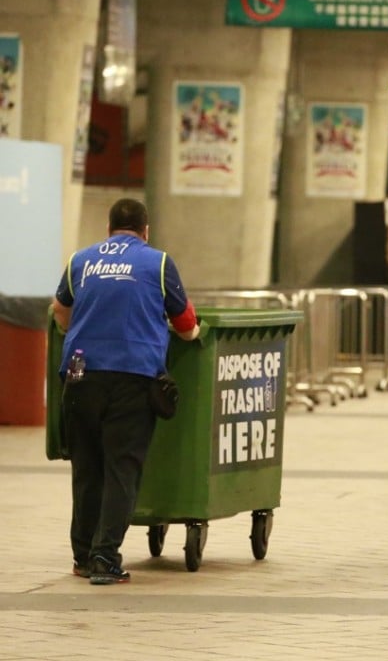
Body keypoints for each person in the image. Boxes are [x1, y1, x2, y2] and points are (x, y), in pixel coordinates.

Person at [52, 198, 201, 585]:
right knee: (122, 469)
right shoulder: (159, 262)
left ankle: (83, 556)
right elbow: (185, 323)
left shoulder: (81, 260)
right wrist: (192, 334)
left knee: (87, 470)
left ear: (108, 230)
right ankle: (105, 558)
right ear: (145, 231)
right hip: (132, 378)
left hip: (81, 376)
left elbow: (60, 310)